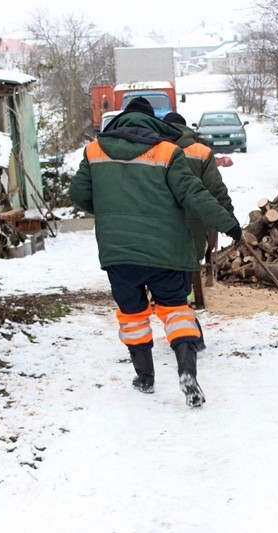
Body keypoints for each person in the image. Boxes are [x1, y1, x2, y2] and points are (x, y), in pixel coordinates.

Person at [69, 97, 242, 408]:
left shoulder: (94, 151)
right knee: (176, 310)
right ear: (154, 123)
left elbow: (79, 194)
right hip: (167, 252)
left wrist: (113, 211)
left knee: (132, 315)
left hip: (119, 253)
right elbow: (194, 194)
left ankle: (145, 377)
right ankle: (187, 372)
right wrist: (229, 225)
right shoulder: (167, 152)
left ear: (121, 120)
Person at [162, 111, 234, 351]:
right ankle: (189, 329)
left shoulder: (155, 152)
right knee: (187, 276)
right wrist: (229, 220)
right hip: (196, 227)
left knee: (172, 285)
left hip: (163, 227)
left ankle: (186, 332)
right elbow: (216, 190)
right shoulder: (201, 152)